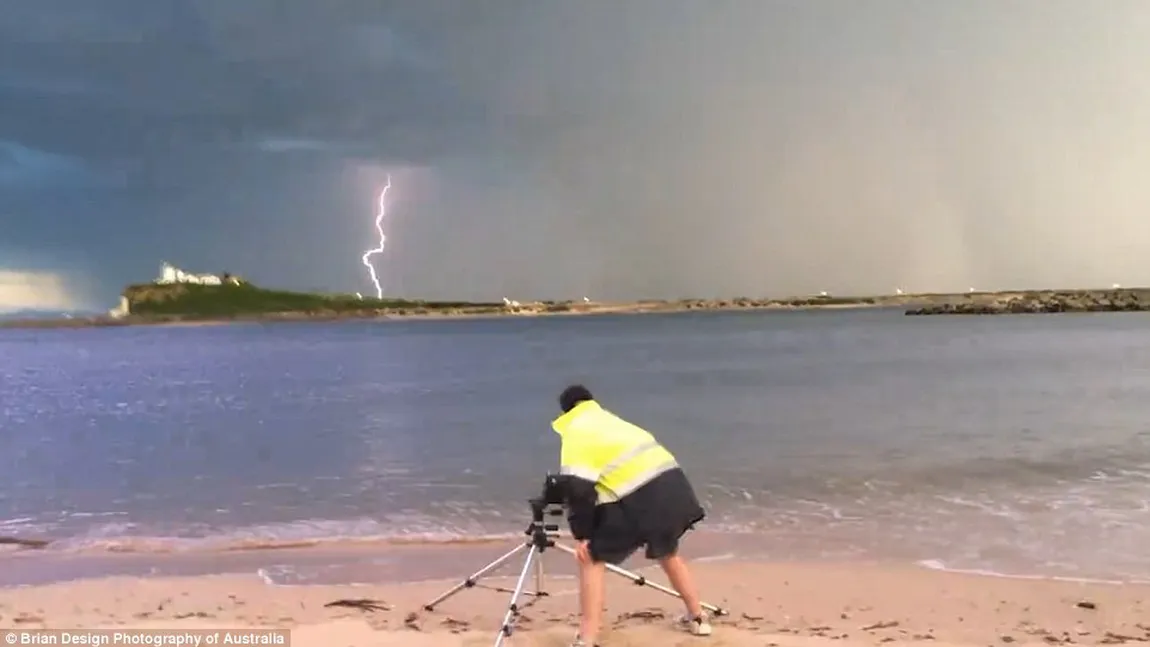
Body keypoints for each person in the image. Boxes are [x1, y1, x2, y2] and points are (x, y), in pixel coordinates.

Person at [551, 384, 713, 646]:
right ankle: (698, 617)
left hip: (642, 500)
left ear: (566, 411)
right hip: (676, 493)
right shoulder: (616, 423)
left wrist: (582, 535)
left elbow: (579, 490)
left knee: (591, 557)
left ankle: (588, 637)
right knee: (667, 551)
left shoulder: (576, 432)